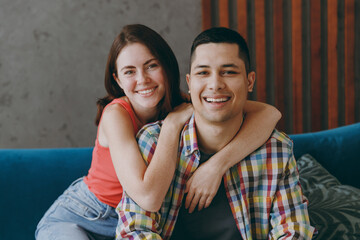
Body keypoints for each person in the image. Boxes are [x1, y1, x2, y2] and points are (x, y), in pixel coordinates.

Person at [35, 24, 281, 240]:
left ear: (166, 68)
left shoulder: (182, 103)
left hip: (132, 224)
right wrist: (172, 126)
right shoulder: (116, 115)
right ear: (118, 80)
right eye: (129, 71)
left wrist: (215, 167)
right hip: (84, 216)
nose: (143, 80)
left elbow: (270, 114)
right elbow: (149, 199)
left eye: (151, 66)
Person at [116, 27, 315, 240]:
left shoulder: (276, 150)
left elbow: (294, 232)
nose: (215, 84)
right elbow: (134, 231)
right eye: (203, 73)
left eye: (228, 72)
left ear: (249, 81)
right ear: (190, 83)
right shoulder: (153, 141)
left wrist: (216, 166)